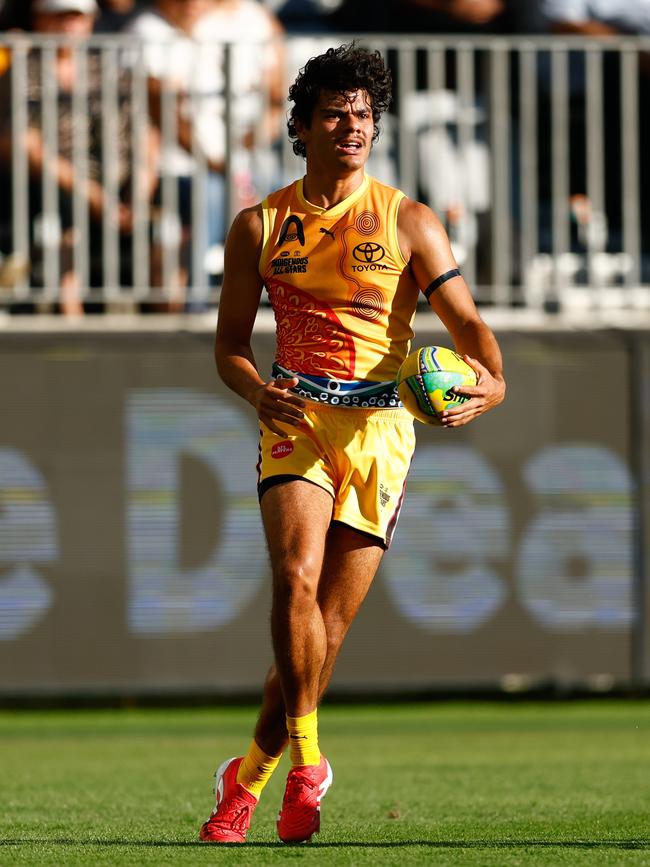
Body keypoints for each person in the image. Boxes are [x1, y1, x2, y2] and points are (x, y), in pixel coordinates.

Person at [200, 42, 505, 845]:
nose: (353, 126)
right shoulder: (260, 224)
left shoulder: (408, 219)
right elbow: (230, 344)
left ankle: (245, 780)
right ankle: (307, 760)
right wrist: (253, 386)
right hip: (296, 418)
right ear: (300, 126)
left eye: (365, 114)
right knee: (294, 582)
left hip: (381, 431)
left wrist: (495, 379)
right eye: (335, 112)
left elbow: (468, 323)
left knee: (323, 636)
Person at [0, 0, 159, 314]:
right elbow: (22, 141)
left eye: (77, 18)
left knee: (173, 206)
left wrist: (139, 192)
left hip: (115, 182)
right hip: (50, 184)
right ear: (40, 20)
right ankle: (72, 316)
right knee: (64, 207)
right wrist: (91, 193)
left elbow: (145, 133)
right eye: (60, 17)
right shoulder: (21, 69)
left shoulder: (111, 70)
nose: (69, 27)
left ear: (91, 22)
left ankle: (170, 321)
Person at [126, 0, 284, 307]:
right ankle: (198, 301)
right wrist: (216, 162)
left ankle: (276, 296)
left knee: (277, 194)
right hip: (184, 165)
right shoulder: (150, 30)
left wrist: (240, 152)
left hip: (241, 160)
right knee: (211, 195)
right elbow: (163, 111)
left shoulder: (240, 20)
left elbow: (275, 95)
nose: (192, 4)